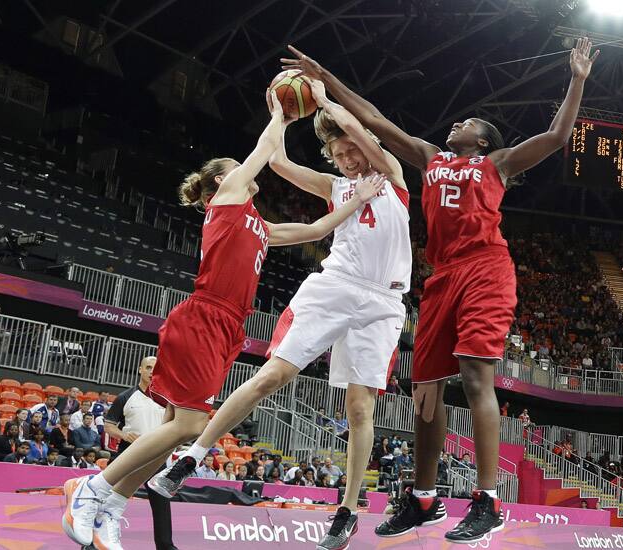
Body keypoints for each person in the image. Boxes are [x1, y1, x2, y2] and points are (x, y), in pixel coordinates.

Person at [281, 36, 599, 543]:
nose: (456, 122)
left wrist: (577, 79)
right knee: (424, 392)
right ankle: (423, 499)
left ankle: (488, 500)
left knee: (475, 376)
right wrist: (325, 78)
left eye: (468, 123)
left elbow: (559, 136)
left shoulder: (497, 165)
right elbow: (376, 119)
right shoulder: (430, 157)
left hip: (486, 270)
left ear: (485, 142)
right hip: (442, 277)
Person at [61, 92, 386, 549]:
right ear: (221, 179)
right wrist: (279, 116)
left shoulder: (257, 225)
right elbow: (260, 154)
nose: (245, 171)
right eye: (236, 167)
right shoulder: (228, 200)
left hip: (228, 327)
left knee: (172, 430)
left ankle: (114, 504)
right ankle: (93, 487)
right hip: (204, 316)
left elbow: (315, 231)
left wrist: (360, 200)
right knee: (192, 426)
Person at [150, 79, 412, 550]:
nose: (350, 158)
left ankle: (348, 510)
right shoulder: (336, 185)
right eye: (340, 151)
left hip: (385, 302)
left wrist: (328, 103)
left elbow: (363, 129)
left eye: (354, 149)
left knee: (359, 407)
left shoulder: (391, 175)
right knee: (273, 375)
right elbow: (276, 163)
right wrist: (283, 112)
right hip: (335, 286)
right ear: (332, 156)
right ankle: (193, 455)